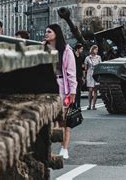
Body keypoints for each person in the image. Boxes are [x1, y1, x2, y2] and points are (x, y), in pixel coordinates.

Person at [44, 24, 77, 159]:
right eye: (46, 31)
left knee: (63, 120)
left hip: (62, 85)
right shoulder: (41, 48)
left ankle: (64, 148)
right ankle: (46, 148)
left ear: (56, 33)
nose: (46, 34)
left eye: (49, 32)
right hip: (46, 85)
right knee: (46, 119)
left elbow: (71, 73)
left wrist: (73, 92)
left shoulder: (66, 50)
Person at [84, 45, 102, 110]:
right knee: (90, 90)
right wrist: (84, 75)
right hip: (90, 74)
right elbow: (85, 68)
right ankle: (89, 105)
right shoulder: (87, 58)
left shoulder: (98, 57)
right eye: (95, 49)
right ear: (92, 50)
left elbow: (100, 65)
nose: (96, 51)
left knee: (95, 90)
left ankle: (94, 105)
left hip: (96, 74)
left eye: (97, 50)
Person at [74, 43, 85, 109]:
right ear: (77, 49)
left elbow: (83, 67)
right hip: (73, 74)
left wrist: (84, 76)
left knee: (79, 91)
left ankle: (78, 105)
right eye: (81, 49)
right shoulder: (72, 55)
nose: (82, 50)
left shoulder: (82, 56)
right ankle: (73, 104)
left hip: (79, 75)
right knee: (73, 91)